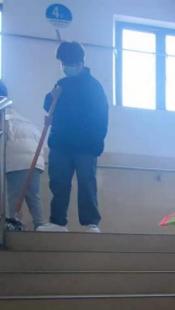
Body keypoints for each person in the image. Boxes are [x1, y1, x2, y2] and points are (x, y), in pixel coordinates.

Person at [37, 41, 108, 233]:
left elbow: (102, 116)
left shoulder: (94, 87)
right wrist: (51, 96)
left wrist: (97, 143)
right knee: (58, 183)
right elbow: (48, 105)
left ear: (80, 63)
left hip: (86, 146)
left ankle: (91, 223)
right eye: (62, 63)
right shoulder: (61, 84)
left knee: (87, 183)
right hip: (60, 144)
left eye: (67, 63)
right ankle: (58, 222)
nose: (64, 67)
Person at [0, 81, 45, 230]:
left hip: (16, 161)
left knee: (12, 199)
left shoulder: (2, 114)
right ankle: (40, 227)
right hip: (35, 160)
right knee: (33, 197)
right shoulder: (17, 115)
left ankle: (13, 226)